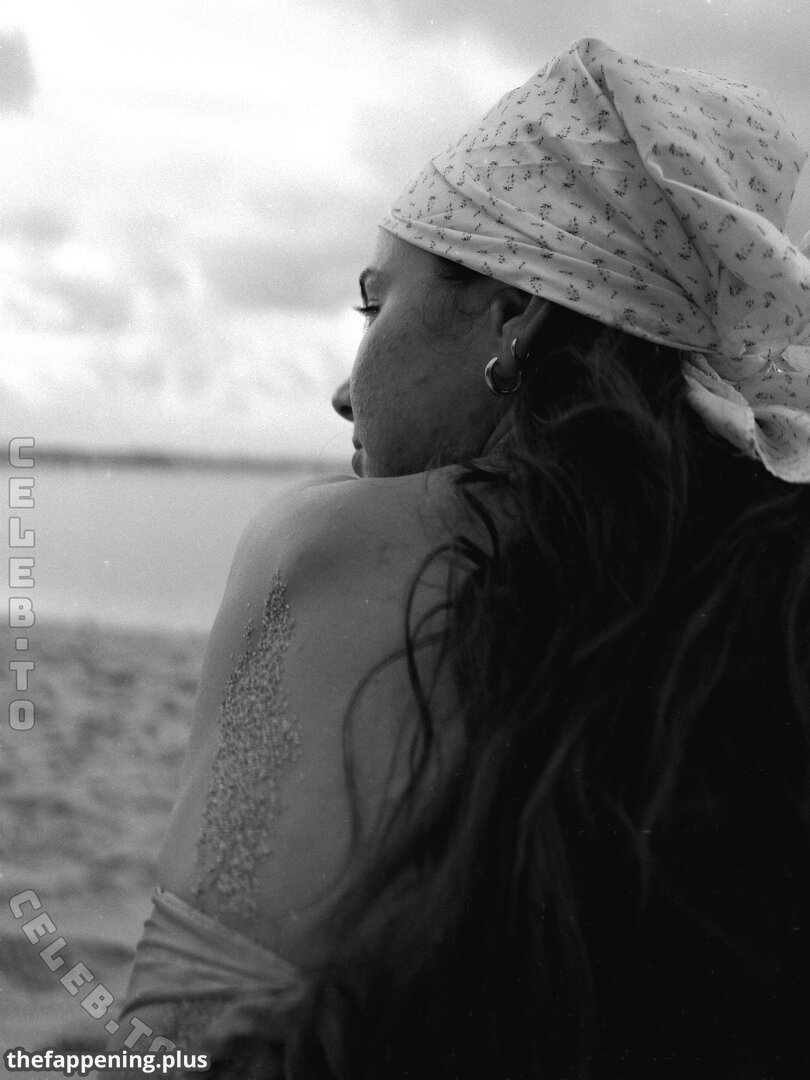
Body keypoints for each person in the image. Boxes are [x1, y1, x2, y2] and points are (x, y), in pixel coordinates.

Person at [105, 38, 810, 1079]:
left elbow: (180, 1032)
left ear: (515, 313)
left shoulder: (330, 546)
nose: (342, 391)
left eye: (373, 304)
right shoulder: (765, 586)